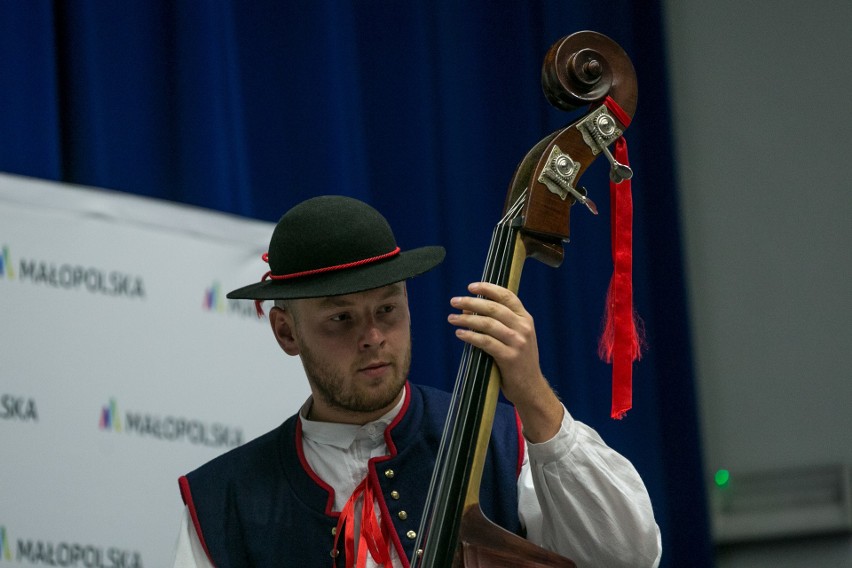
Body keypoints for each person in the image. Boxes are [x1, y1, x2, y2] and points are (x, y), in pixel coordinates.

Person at [172, 195, 661, 568]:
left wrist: (533, 395)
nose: (372, 337)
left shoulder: (501, 442)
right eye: (341, 319)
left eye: (387, 309)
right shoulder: (222, 498)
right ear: (286, 331)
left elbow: (628, 556)